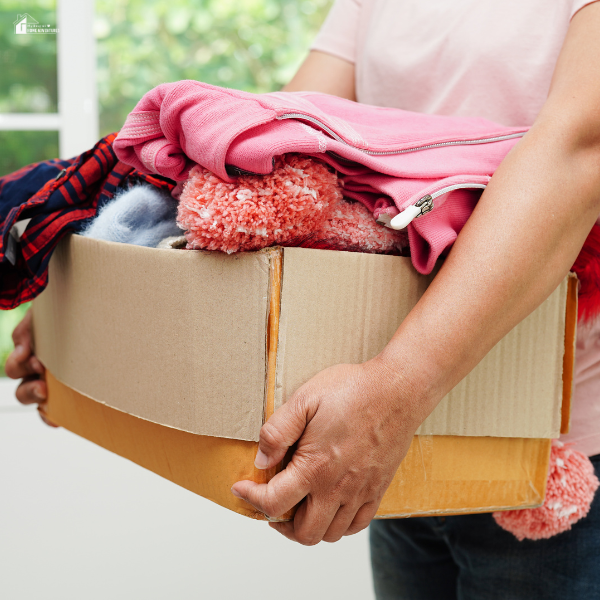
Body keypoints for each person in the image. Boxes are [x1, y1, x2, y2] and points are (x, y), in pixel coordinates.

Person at [6, 1, 600, 597]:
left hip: (532, 438)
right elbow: (285, 139)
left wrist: (397, 390)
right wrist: (83, 311)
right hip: (389, 432)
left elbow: (581, 152)